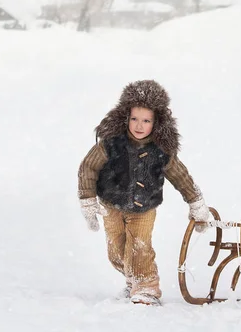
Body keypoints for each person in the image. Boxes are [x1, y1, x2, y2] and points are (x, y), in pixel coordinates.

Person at [77, 80, 210, 306]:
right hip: (111, 204)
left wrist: (195, 202)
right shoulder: (111, 143)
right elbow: (88, 167)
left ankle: (147, 287)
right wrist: (88, 200)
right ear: (125, 117)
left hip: (144, 208)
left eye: (146, 121)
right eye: (134, 119)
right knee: (116, 250)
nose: (139, 125)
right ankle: (132, 281)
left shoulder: (161, 150)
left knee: (140, 246)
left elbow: (180, 176)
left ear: (156, 123)